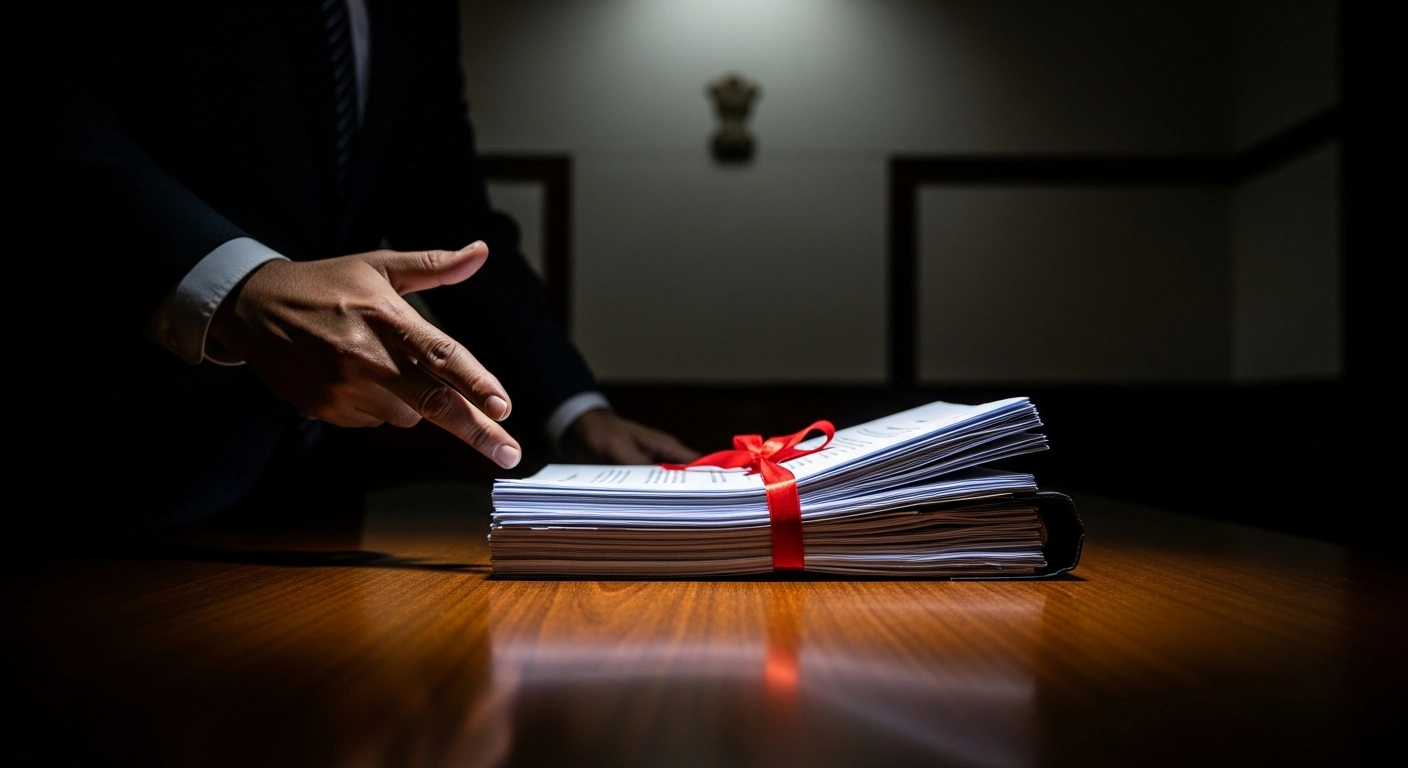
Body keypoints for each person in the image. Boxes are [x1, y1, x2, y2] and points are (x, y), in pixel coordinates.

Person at [57, 0, 697, 532]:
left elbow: (453, 225)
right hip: (99, 455)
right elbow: (62, 109)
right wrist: (237, 287)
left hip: (321, 481)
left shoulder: (417, 11)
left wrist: (575, 412)